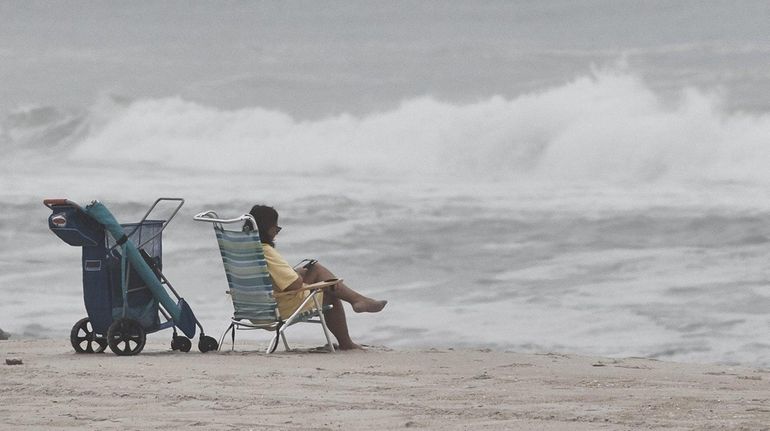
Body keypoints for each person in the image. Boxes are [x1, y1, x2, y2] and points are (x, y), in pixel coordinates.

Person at [246, 204, 387, 350]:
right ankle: (348, 340)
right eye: (277, 229)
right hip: (273, 311)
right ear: (268, 229)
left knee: (314, 269)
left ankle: (358, 301)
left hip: (253, 309)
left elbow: (268, 280)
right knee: (330, 289)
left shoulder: (244, 250)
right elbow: (293, 285)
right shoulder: (265, 251)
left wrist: (296, 273)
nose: (276, 233)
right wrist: (296, 276)